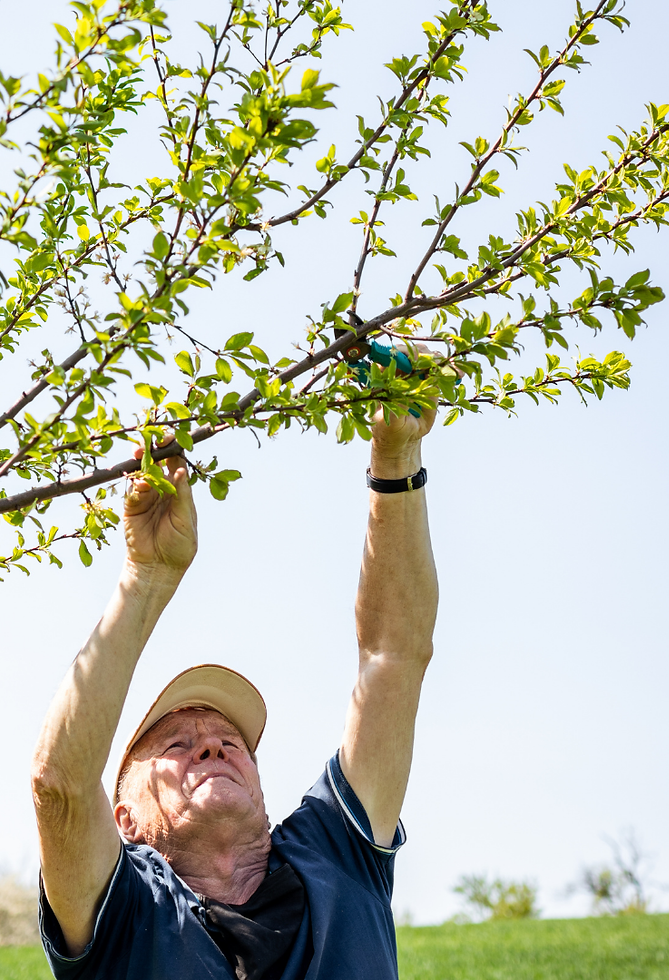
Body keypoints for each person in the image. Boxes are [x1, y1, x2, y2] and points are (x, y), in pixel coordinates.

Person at [31, 401, 438, 979]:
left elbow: (393, 658)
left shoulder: (336, 852)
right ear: (123, 822)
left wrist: (396, 459)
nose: (213, 747)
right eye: (175, 746)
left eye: (231, 742)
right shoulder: (123, 910)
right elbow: (61, 787)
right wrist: (145, 578)